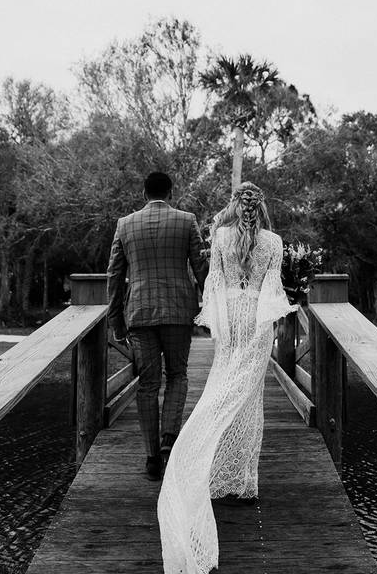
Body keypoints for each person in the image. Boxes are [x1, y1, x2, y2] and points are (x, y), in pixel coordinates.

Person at [157, 182, 297, 574]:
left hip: (231, 316)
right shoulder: (275, 241)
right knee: (247, 397)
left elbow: (213, 285)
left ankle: (225, 469)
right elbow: (272, 288)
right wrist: (269, 320)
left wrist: (216, 325)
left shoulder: (219, 235)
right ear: (262, 207)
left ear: (236, 204)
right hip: (256, 317)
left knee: (222, 385)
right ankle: (241, 478)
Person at [106, 171, 209, 481]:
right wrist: (214, 306)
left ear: (143, 193)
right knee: (177, 375)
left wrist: (115, 320)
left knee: (148, 384)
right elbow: (200, 268)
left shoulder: (125, 224)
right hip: (178, 311)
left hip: (139, 312)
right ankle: (168, 440)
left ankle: (152, 457)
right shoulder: (186, 220)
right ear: (171, 192)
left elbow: (114, 276)